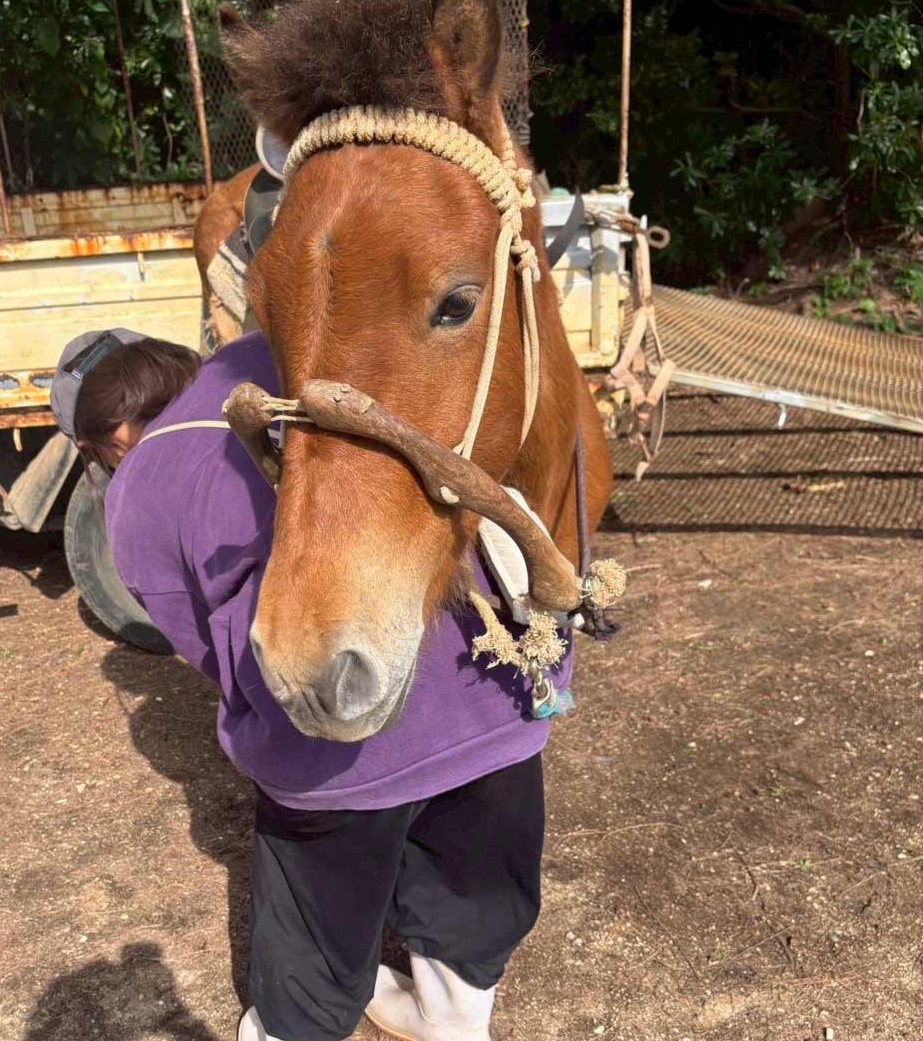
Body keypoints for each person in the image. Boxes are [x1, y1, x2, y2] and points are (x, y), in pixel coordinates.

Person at [50, 328, 574, 1041]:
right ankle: (450, 1018)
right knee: (476, 873)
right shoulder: (281, 360)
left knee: (317, 925)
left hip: (341, 733)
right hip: (496, 692)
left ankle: (292, 1029)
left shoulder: (141, 485)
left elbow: (202, 641)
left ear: (110, 434)